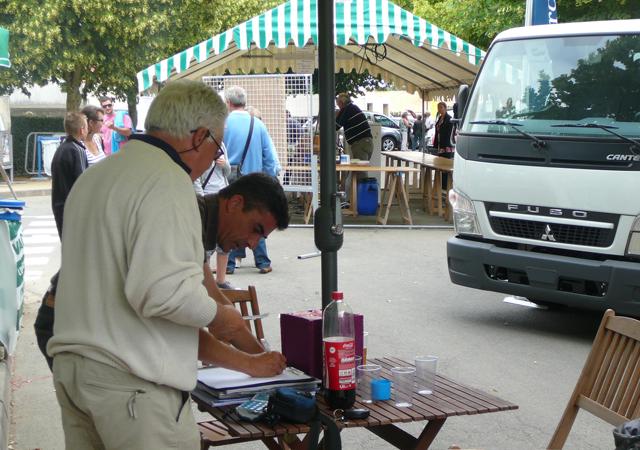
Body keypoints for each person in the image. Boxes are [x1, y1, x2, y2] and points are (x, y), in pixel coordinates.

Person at [47, 80, 287, 449]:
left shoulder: (97, 176)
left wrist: (247, 351)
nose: (211, 160)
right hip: (132, 388)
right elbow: (160, 293)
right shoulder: (168, 181)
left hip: (76, 374)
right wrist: (221, 316)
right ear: (199, 137)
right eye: (216, 147)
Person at [33, 112, 89, 370]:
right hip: (72, 213)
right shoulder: (75, 151)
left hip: (62, 211)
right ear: (82, 129)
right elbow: (82, 186)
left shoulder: (65, 149)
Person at [223, 85, 281, 275]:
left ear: (228, 102)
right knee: (255, 217)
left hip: (229, 177)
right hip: (254, 178)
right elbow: (270, 158)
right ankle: (263, 262)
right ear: (244, 102)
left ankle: (229, 264)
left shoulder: (223, 123)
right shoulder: (258, 124)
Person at [194, 141, 233, 289]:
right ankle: (206, 281)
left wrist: (224, 165)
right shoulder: (199, 145)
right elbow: (195, 174)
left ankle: (221, 280)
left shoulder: (221, 144)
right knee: (208, 243)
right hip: (207, 196)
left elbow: (227, 172)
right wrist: (202, 198)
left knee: (224, 240)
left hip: (223, 194)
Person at [335, 93, 372, 162]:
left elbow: (336, 126)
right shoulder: (354, 107)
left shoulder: (346, 109)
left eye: (338, 104)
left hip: (359, 144)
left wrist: (336, 116)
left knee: (359, 170)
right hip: (368, 142)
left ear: (341, 102)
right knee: (359, 169)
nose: (338, 106)